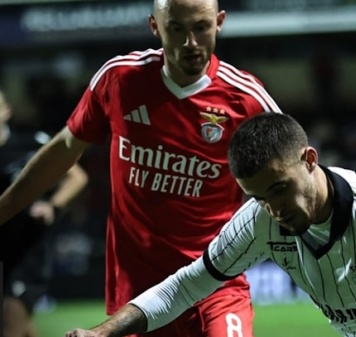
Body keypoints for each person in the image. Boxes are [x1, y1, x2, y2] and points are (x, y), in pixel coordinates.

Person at [65, 113, 356, 337]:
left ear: (310, 160)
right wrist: (104, 333)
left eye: (280, 189)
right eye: (258, 197)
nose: (273, 209)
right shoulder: (260, 220)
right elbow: (186, 285)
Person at [0, 1, 281, 337]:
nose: (191, 42)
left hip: (215, 283)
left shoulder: (246, 98)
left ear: (219, 22)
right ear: (155, 26)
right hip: (136, 296)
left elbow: (293, 173)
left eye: (201, 27)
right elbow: (63, 150)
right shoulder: (119, 79)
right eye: (176, 28)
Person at [0, 89, 88, 337]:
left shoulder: (30, 144)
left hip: (25, 251)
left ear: (6, 110)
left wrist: (52, 205)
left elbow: (77, 177)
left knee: (9, 324)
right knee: (19, 325)